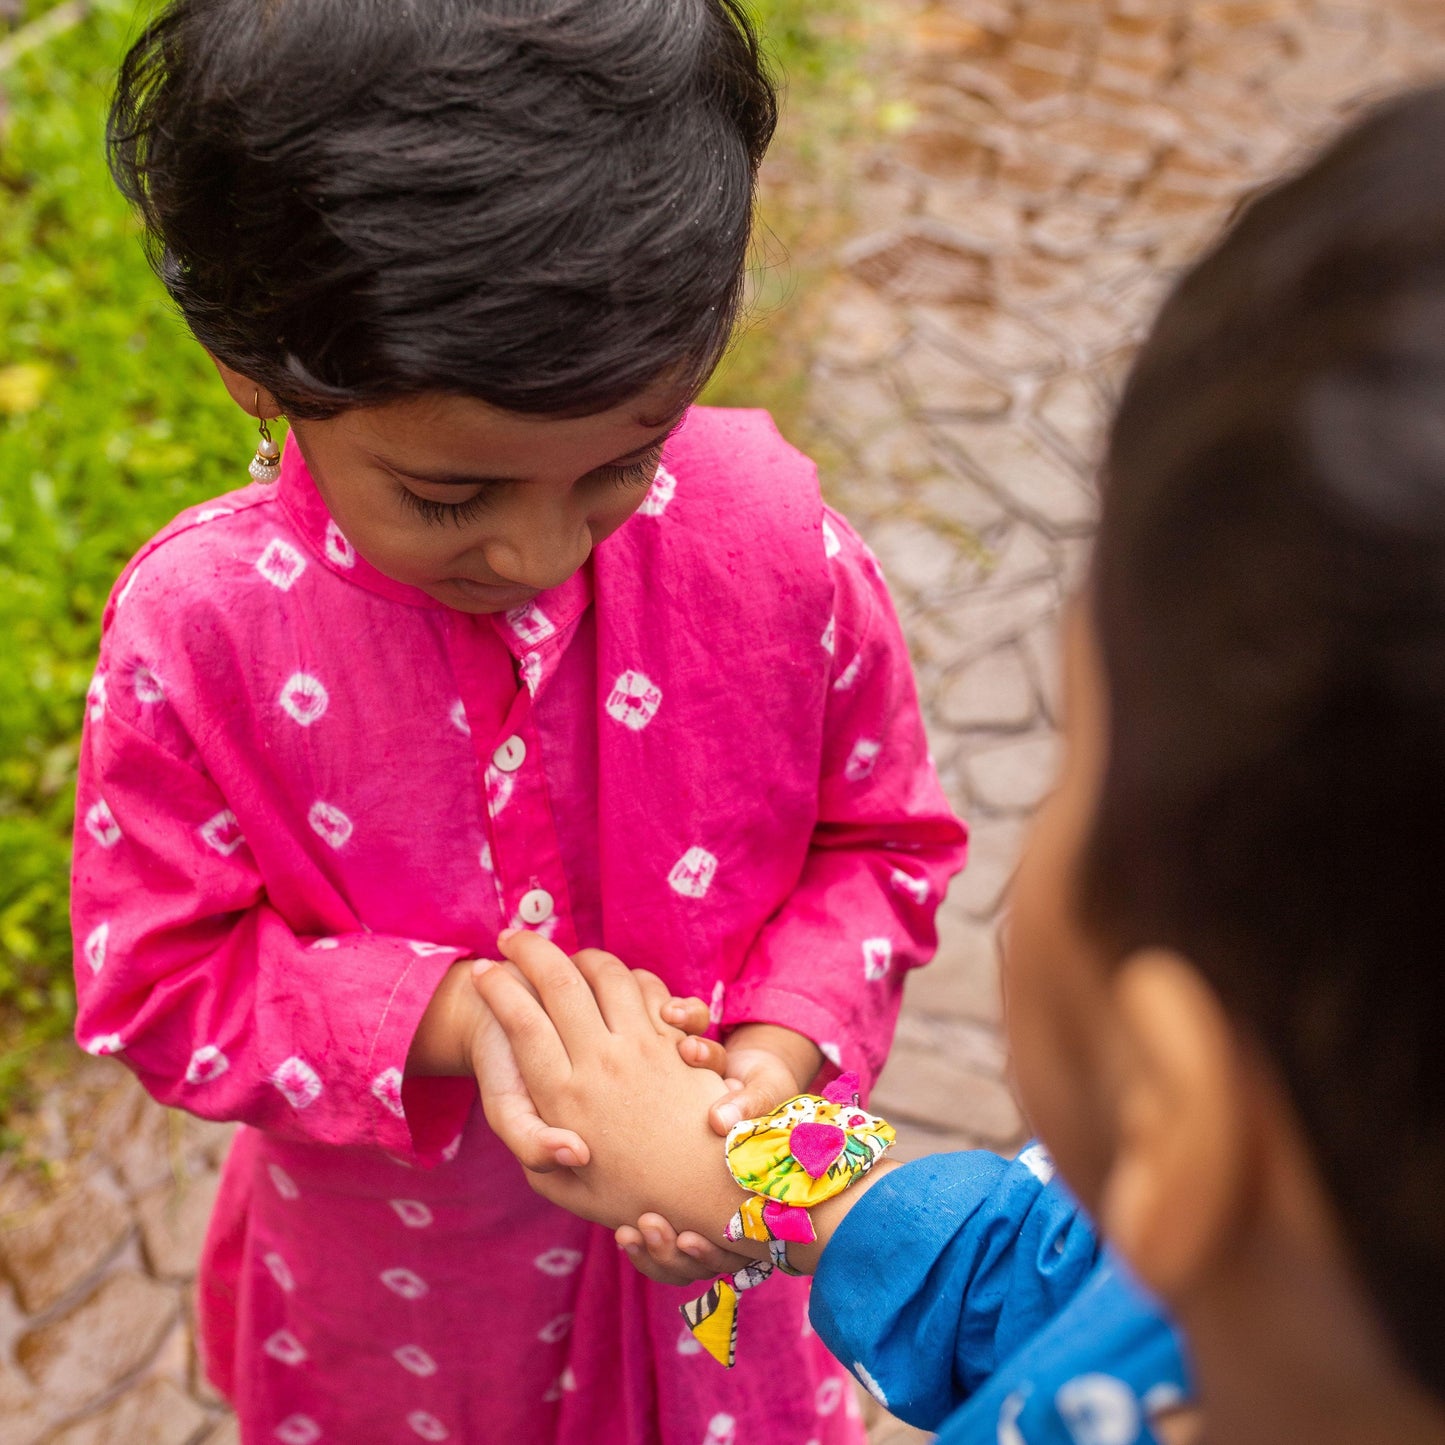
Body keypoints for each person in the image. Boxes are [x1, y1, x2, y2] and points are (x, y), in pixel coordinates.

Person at [467, 85, 1445, 1445]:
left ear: (1179, 1122)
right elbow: (1023, 1269)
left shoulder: (770, 546)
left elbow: (881, 848)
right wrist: (749, 1159)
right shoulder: (1239, 1281)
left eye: (1073, 777)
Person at [68, 2, 967, 1441]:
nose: (542, 551)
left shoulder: (781, 556)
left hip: (718, 1290)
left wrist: (767, 1065)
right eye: (448, 497)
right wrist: (446, 1013)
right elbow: (156, 978)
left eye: (624, 461)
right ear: (257, 367)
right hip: (406, 1312)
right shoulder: (205, 636)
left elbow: (882, 847)